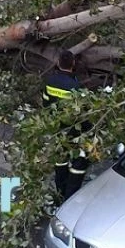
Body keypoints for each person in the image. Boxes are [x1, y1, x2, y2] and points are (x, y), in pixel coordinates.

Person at [43, 51, 88, 199]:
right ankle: (70, 195)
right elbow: (82, 111)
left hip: (55, 128)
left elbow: (45, 103)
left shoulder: (50, 81)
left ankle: (60, 191)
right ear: (73, 64)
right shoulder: (75, 86)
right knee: (79, 161)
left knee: (60, 160)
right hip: (72, 130)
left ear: (58, 63)